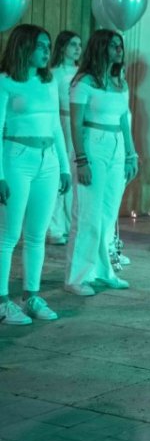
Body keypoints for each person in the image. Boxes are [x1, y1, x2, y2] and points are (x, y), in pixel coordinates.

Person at [0, 26, 71, 325]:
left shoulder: (49, 80)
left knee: (36, 235)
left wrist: (65, 166)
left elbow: (56, 125)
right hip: (17, 159)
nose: (46, 51)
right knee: (8, 235)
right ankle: (2, 301)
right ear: (24, 47)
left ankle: (31, 295)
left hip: (49, 161)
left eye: (48, 45)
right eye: (41, 45)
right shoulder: (5, 82)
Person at [63, 29, 137, 296]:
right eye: (114, 45)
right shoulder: (83, 82)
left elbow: (123, 121)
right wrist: (81, 159)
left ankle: (103, 271)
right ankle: (76, 277)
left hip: (117, 147)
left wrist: (131, 154)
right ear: (101, 47)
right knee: (87, 214)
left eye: (120, 45)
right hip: (93, 144)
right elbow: (75, 122)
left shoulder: (120, 82)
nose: (119, 49)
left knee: (107, 215)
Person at [46, 30, 80, 246]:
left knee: (74, 176)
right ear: (62, 48)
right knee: (61, 173)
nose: (78, 49)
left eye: (79, 45)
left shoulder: (82, 73)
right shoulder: (54, 74)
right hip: (62, 124)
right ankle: (54, 226)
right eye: (73, 45)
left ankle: (70, 223)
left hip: (77, 127)